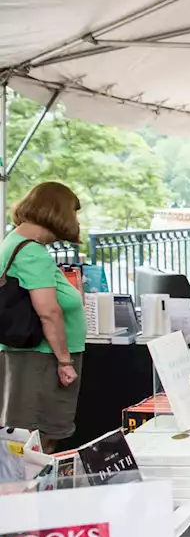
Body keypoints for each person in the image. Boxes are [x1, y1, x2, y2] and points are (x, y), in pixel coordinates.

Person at [0, 182, 86, 454]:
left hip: (32, 356)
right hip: (42, 358)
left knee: (29, 437)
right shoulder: (32, 254)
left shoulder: (15, 243)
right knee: (40, 437)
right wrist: (64, 361)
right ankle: (30, 494)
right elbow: (48, 312)